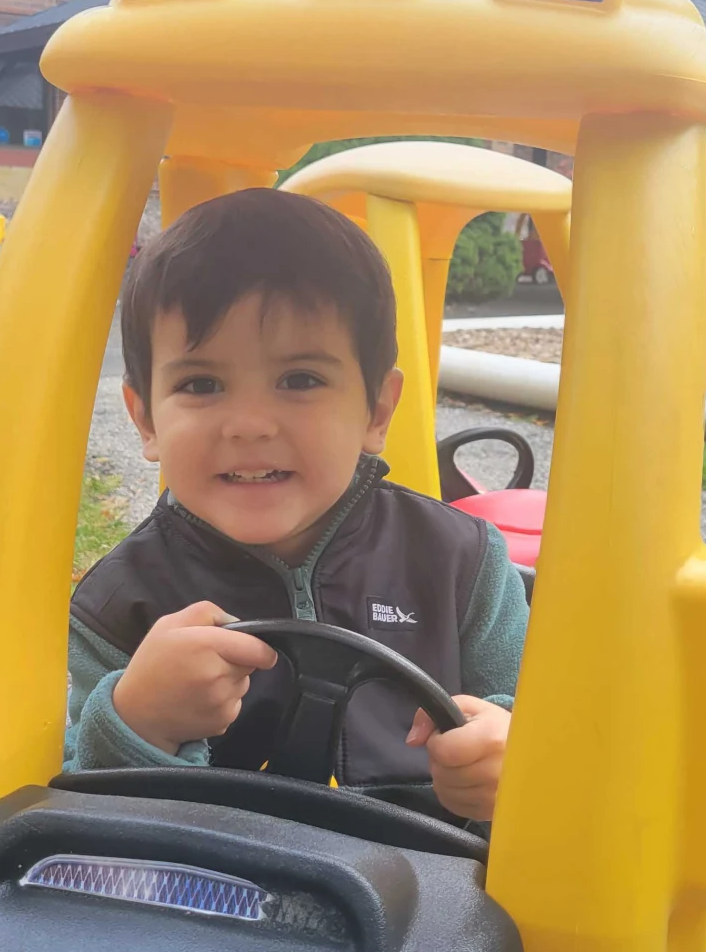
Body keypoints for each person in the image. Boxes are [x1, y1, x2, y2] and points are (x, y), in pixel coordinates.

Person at [64, 188, 529, 823]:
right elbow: (78, 812)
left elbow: (549, 732)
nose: (250, 425)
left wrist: (506, 759)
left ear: (376, 410)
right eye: (202, 384)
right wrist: (137, 722)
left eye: (300, 380)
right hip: (200, 890)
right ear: (145, 419)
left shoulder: (462, 564)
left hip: (427, 892)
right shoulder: (118, 602)